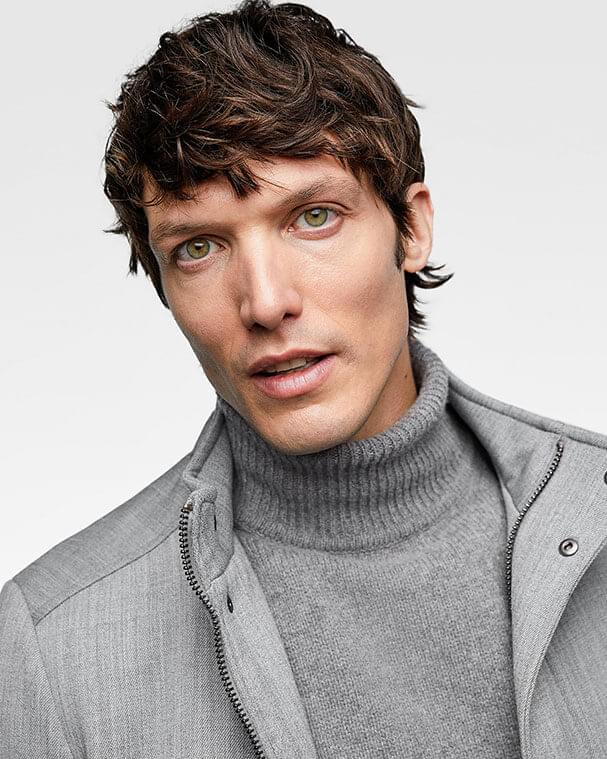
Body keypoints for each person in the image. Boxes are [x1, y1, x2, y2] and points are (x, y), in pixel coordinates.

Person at [1, 1, 606, 757]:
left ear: (412, 229)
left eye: (313, 217)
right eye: (198, 248)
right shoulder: (52, 648)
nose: (264, 302)